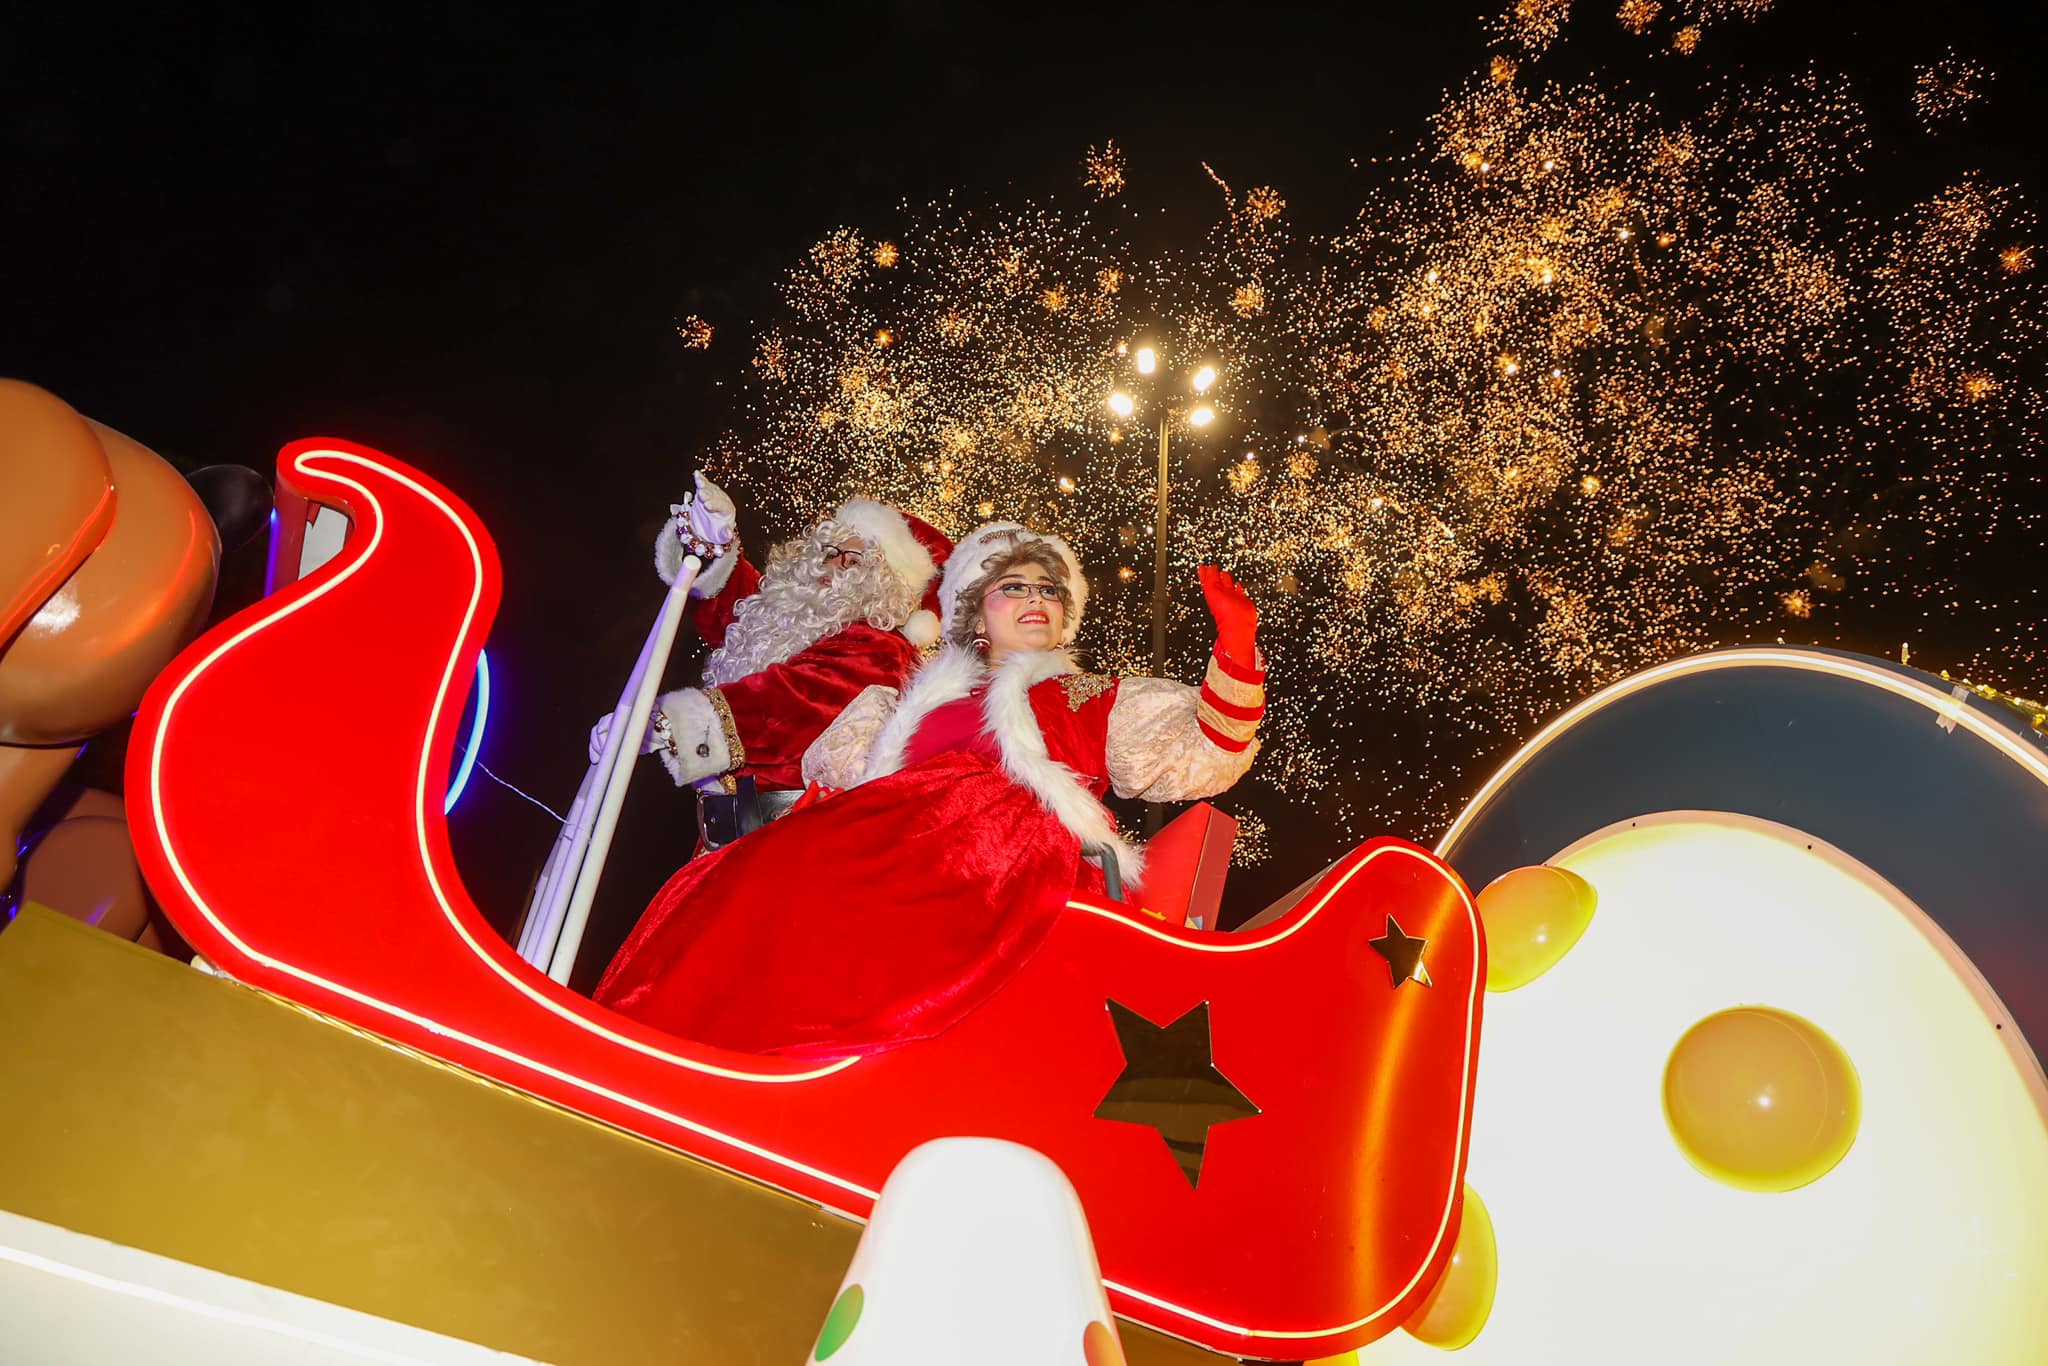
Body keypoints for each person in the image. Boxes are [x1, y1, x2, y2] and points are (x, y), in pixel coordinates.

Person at [595, 520, 1266, 1059]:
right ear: (976, 614)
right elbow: (814, 741)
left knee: (915, 828)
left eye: (1051, 590)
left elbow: (1211, 750)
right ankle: (688, 1048)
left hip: (1004, 851)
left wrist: (1236, 645)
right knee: (736, 876)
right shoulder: (910, 697)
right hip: (887, 834)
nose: (1038, 599)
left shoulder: (1092, 694)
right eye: (1015, 588)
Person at [591, 474, 951, 849]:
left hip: (793, 849)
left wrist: (662, 724)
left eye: (854, 559)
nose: (833, 565)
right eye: (829, 551)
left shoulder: (882, 649)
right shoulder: (799, 619)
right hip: (733, 848)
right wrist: (713, 544)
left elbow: (789, 704)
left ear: (886, 584)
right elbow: (746, 616)